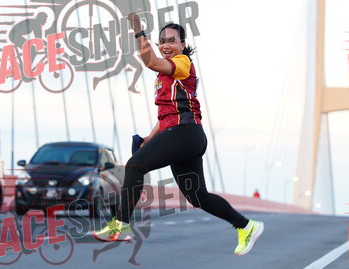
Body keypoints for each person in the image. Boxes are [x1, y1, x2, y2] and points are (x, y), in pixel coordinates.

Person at [94, 17, 264, 256]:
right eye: (162, 41)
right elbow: (166, 115)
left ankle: (120, 224)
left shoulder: (182, 63)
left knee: (134, 166)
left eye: (172, 41)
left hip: (185, 133)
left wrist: (138, 32)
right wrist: (149, 139)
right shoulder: (165, 75)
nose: (166, 45)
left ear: (183, 45)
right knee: (197, 196)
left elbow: (150, 61)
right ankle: (246, 226)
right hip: (185, 135)